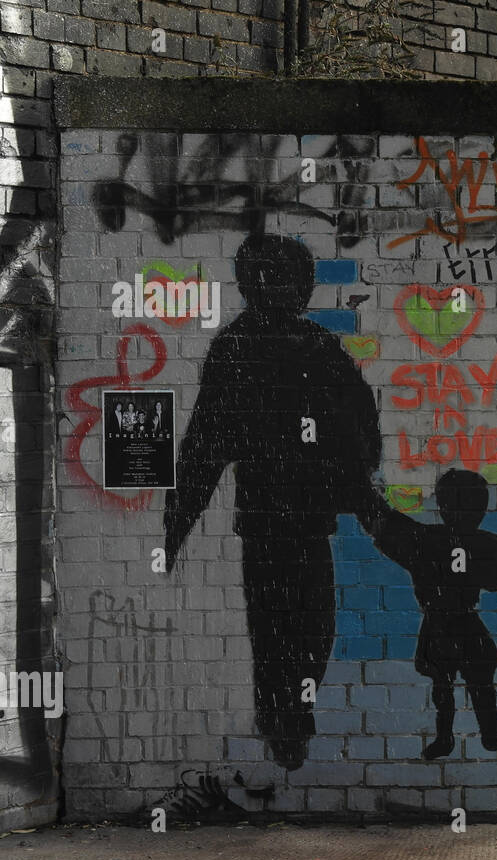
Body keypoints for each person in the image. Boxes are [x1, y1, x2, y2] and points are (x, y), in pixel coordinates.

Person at [163, 233, 388, 770]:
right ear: (254, 285)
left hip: (291, 521)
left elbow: (355, 429)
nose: (291, 290)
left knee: (296, 626)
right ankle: (286, 716)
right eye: (280, 279)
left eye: (296, 280)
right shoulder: (263, 348)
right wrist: (177, 522)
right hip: (280, 521)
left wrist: (177, 522)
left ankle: (285, 714)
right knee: (289, 628)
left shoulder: (292, 346)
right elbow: (208, 445)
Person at [362, 469, 497, 759]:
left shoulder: (426, 539)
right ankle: (488, 733)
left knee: (445, 683)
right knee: (476, 680)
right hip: (463, 619)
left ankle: (451, 736)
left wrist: (369, 499)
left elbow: (387, 527)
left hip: (438, 622)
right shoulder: (485, 543)